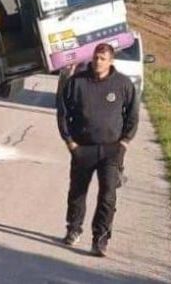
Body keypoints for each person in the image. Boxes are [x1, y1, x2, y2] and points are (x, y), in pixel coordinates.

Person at [56, 43, 138, 257]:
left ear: (110, 61)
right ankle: (73, 229)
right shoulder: (77, 82)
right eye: (95, 58)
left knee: (108, 195)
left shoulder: (123, 84)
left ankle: (100, 239)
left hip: (111, 151)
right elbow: (63, 113)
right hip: (82, 148)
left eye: (102, 58)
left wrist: (125, 142)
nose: (97, 62)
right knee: (77, 193)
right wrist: (70, 142)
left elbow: (132, 115)